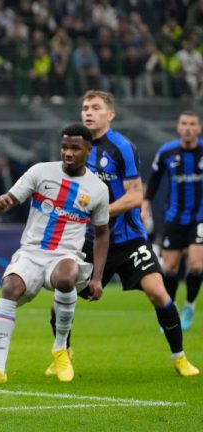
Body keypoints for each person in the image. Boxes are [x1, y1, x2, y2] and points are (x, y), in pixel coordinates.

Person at [47, 91, 199, 377]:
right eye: (84, 108)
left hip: (128, 239)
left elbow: (135, 197)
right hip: (90, 243)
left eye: (95, 108)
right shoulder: (75, 148)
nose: (88, 112)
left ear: (110, 115)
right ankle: (62, 353)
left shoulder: (122, 147)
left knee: (158, 291)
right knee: (62, 293)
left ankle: (180, 358)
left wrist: (98, 213)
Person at [0, 124, 110, 384]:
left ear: (88, 151)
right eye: (64, 147)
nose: (68, 153)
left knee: (66, 276)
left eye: (75, 148)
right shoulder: (40, 171)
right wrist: (3, 202)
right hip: (32, 252)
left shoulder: (97, 189)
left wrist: (97, 278)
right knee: (10, 288)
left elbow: (102, 234)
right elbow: (12, 197)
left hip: (65, 254)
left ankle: (60, 348)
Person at [143, 111, 203, 331]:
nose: (188, 128)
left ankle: (189, 305)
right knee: (169, 268)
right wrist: (146, 203)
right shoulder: (167, 152)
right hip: (174, 218)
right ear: (178, 127)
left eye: (192, 124)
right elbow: (155, 180)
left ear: (198, 128)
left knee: (196, 265)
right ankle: (172, 308)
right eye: (184, 123)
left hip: (200, 217)